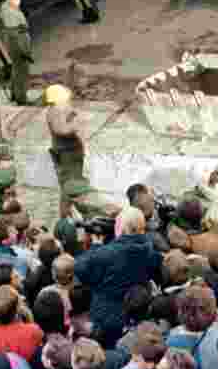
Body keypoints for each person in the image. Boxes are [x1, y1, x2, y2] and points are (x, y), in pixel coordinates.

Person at [74, 207, 161, 348]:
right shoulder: (152, 253)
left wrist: (96, 246)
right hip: (136, 317)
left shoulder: (105, 254)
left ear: (121, 228)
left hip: (105, 319)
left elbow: (79, 268)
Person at [44, 85, 90, 203]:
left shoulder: (61, 109)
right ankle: (69, 208)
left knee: (75, 182)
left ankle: (74, 205)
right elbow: (61, 130)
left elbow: (71, 115)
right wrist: (74, 127)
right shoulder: (54, 111)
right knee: (70, 184)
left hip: (72, 151)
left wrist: (76, 116)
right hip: (66, 153)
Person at [0, 0, 33, 106]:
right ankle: (21, 98)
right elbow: (16, 36)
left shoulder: (7, 8)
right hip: (18, 45)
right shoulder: (10, 14)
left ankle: (14, 94)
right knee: (22, 71)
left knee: (16, 69)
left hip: (15, 43)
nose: (19, 0)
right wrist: (25, 52)